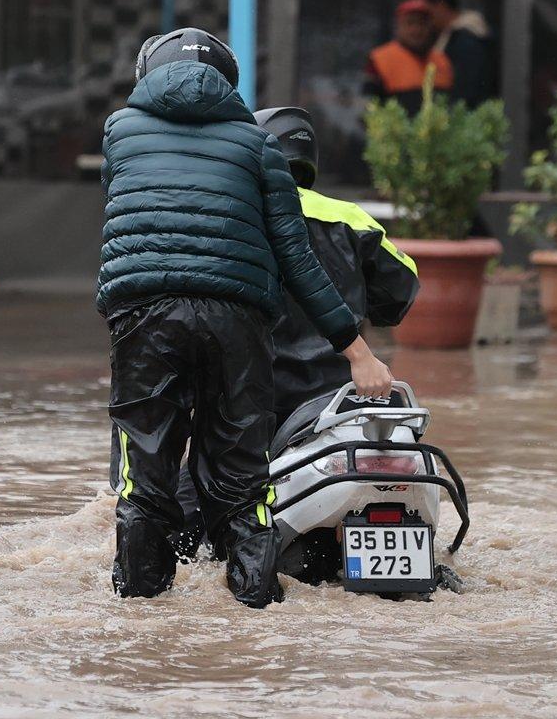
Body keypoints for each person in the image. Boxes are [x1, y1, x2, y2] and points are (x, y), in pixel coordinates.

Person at [99, 27, 394, 608]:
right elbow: (296, 257)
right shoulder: (256, 146)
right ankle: (255, 615)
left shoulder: (119, 132)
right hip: (237, 323)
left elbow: (122, 228)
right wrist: (358, 351)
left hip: (145, 320)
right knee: (243, 484)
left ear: (147, 76)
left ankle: (138, 624)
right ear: (230, 83)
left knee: (145, 479)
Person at [174, 106, 420, 558]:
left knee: (186, 523)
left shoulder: (235, 217)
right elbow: (403, 285)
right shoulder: (352, 218)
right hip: (340, 401)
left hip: (252, 399)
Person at [413, 0, 494, 107]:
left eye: (425, 11)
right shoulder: (452, 37)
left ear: (440, 5)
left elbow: (466, 94)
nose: (423, 18)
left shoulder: (465, 41)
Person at [363, 0, 454, 115]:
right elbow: (368, 107)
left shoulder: (442, 60)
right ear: (398, 26)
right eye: (410, 23)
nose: (416, 29)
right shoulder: (379, 59)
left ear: (430, 27)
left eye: (422, 23)